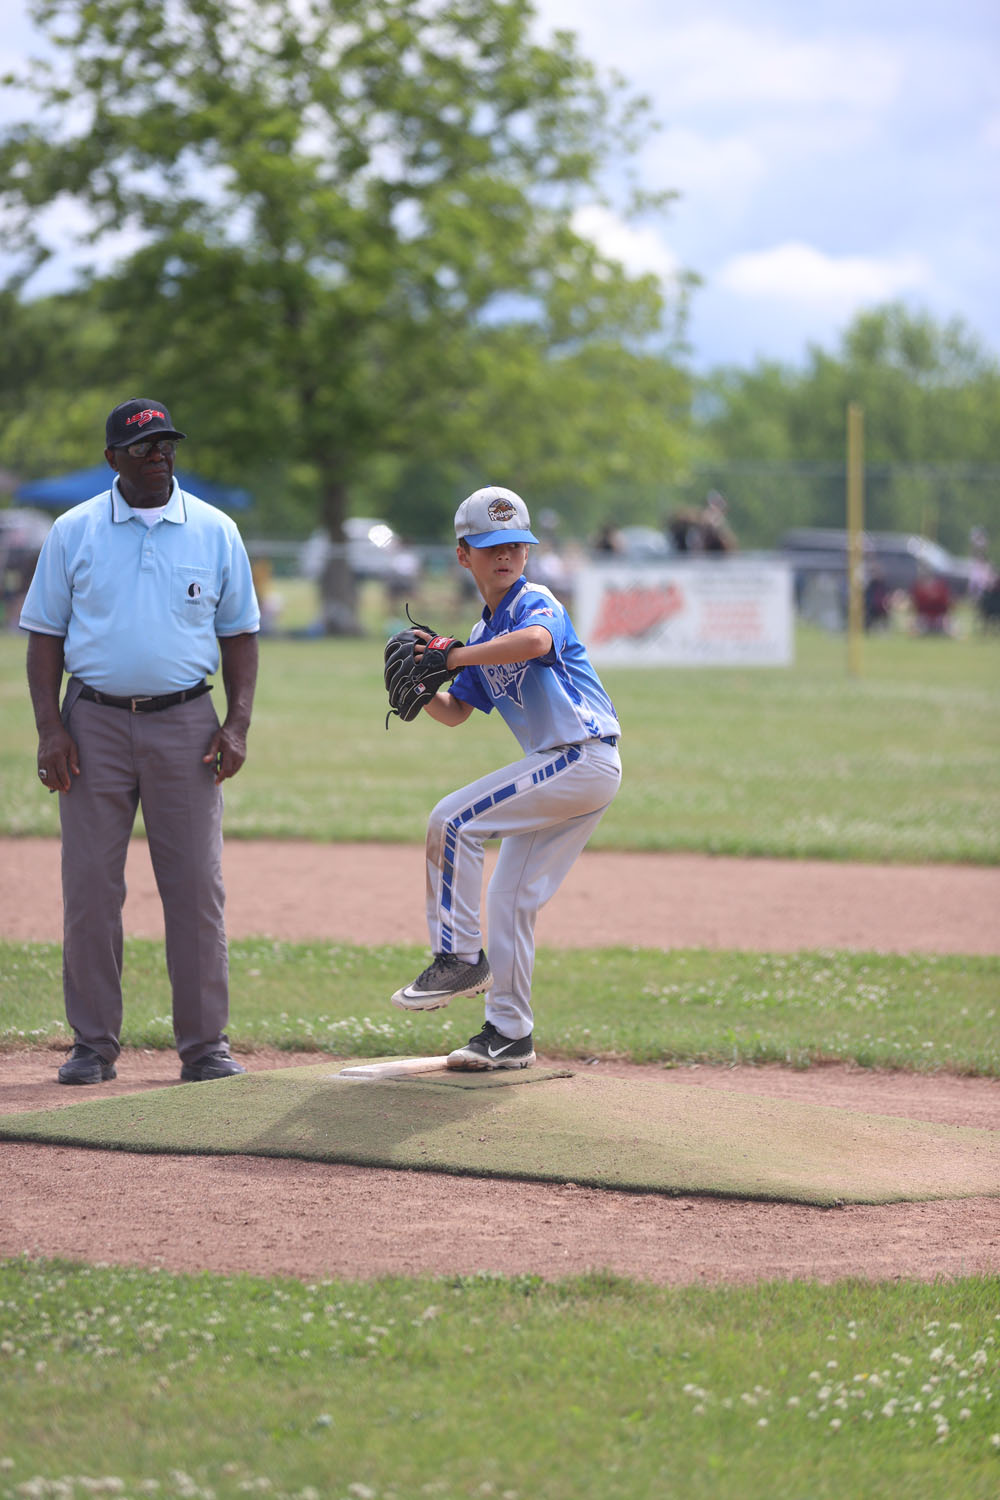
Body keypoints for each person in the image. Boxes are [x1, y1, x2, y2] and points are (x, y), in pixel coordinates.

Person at [19, 398, 260, 1085]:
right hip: (91, 723)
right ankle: (92, 1046)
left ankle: (205, 1047)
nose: (159, 456)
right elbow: (45, 636)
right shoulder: (74, 530)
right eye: (143, 447)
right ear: (112, 460)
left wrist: (236, 723)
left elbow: (239, 634)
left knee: (194, 890)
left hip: (188, 723)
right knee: (91, 888)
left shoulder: (215, 530)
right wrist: (49, 728)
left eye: (166, 445)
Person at [389, 486, 622, 1069]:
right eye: (492, 546)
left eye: (516, 545)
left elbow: (537, 642)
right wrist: (421, 692)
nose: (506, 556)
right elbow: (458, 710)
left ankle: (458, 958)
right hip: (567, 768)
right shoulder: (483, 628)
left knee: (454, 820)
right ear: (463, 554)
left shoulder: (533, 601)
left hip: (582, 756)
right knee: (509, 900)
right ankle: (509, 1033)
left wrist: (454, 654)